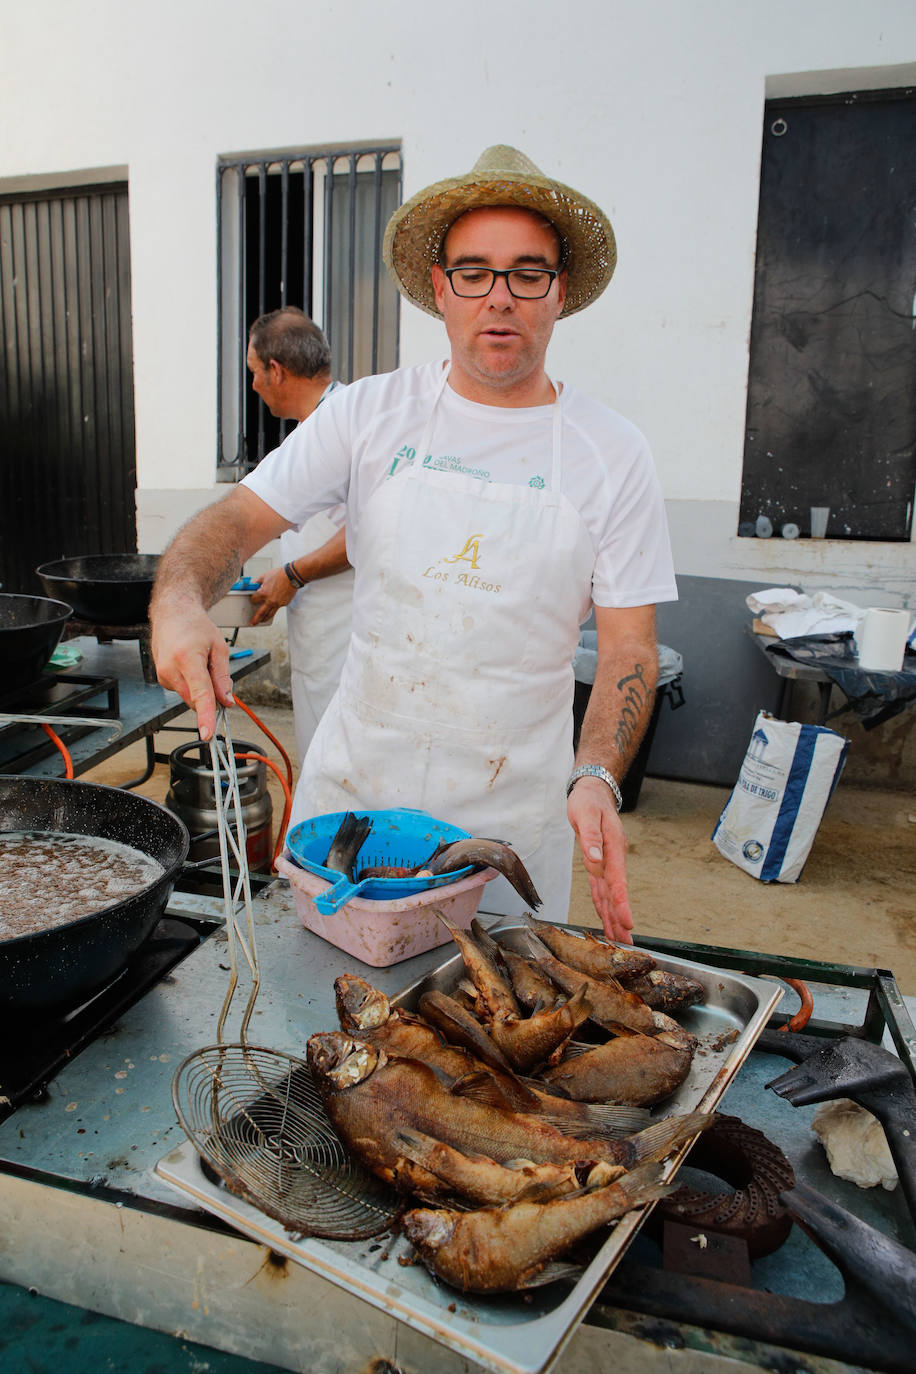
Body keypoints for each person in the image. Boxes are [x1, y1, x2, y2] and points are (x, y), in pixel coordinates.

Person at [150, 145, 677, 942]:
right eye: (474, 272)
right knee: (328, 1036)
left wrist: (598, 774)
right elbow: (238, 519)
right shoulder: (370, 415)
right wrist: (178, 600)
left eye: (527, 273)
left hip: (507, 829)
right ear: (441, 289)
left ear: (559, 292)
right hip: (353, 813)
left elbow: (631, 649)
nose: (500, 298)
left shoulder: (612, 451)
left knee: (489, 1039)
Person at [243, 307, 354, 764]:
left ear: (276, 370)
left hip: (345, 631)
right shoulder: (322, 423)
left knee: (338, 757)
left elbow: (365, 532)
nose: (253, 387)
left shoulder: (344, 425)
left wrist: (293, 573)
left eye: (254, 373)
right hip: (320, 626)